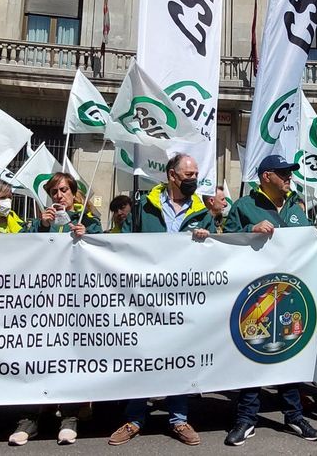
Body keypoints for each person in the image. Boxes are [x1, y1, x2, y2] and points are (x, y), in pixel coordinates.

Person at [108, 154, 213, 447]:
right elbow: (123, 240)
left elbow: (218, 248)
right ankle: (135, 418)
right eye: (189, 174)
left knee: (180, 357)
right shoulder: (145, 205)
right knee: (142, 356)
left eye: (195, 174)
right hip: (145, 297)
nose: (193, 179)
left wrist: (209, 239)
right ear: (172, 175)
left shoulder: (201, 211)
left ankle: (178, 418)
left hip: (184, 299)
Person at [224, 154, 317, 447]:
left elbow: (308, 242)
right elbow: (225, 242)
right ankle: (246, 419)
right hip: (254, 297)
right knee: (251, 354)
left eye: (290, 173)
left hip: (289, 297)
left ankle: (293, 416)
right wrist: (249, 232)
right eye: (283, 173)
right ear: (266, 176)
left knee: (288, 355)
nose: (289, 178)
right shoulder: (245, 206)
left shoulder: (296, 208)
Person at [9, 172, 98, 447]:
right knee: (36, 358)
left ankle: (69, 418)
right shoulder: (38, 222)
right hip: (41, 304)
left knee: (69, 359)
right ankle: (28, 421)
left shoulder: (89, 222)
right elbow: (17, 249)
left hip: (74, 304)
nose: (59, 196)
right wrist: (41, 227)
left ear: (74, 194)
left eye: (63, 190)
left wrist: (88, 236)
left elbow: (104, 253)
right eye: (54, 192)